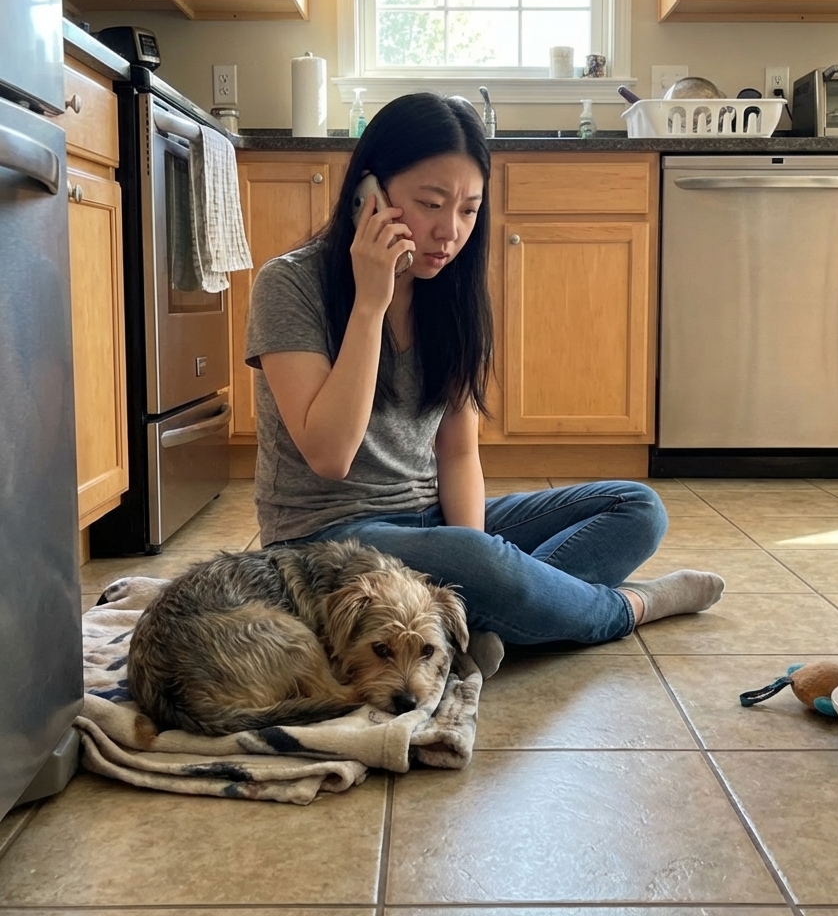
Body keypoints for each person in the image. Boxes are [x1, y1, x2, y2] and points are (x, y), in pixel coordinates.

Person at [245, 92, 724, 675]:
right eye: (430, 203)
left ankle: (472, 624)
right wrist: (372, 303)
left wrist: (471, 556)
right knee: (479, 558)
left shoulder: (452, 293)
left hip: (431, 520)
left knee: (637, 507)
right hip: (326, 543)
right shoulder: (289, 285)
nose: (449, 232)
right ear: (369, 195)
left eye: (469, 210)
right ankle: (626, 609)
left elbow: (459, 451)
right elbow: (329, 454)